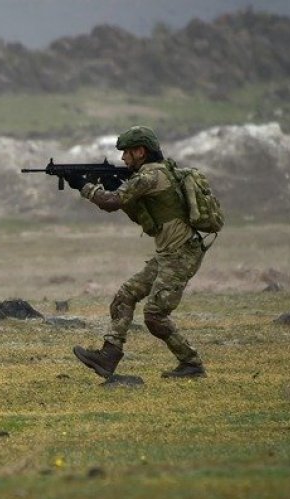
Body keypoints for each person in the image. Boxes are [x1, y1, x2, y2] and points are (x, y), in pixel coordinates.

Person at [67, 126, 207, 379]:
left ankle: (192, 363)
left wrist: (83, 186)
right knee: (125, 297)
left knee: (154, 315)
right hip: (169, 253)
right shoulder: (156, 173)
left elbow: (110, 202)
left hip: (181, 254)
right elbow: (138, 211)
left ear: (140, 152)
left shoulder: (150, 176)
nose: (123, 158)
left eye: (127, 153)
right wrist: (114, 186)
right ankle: (109, 356)